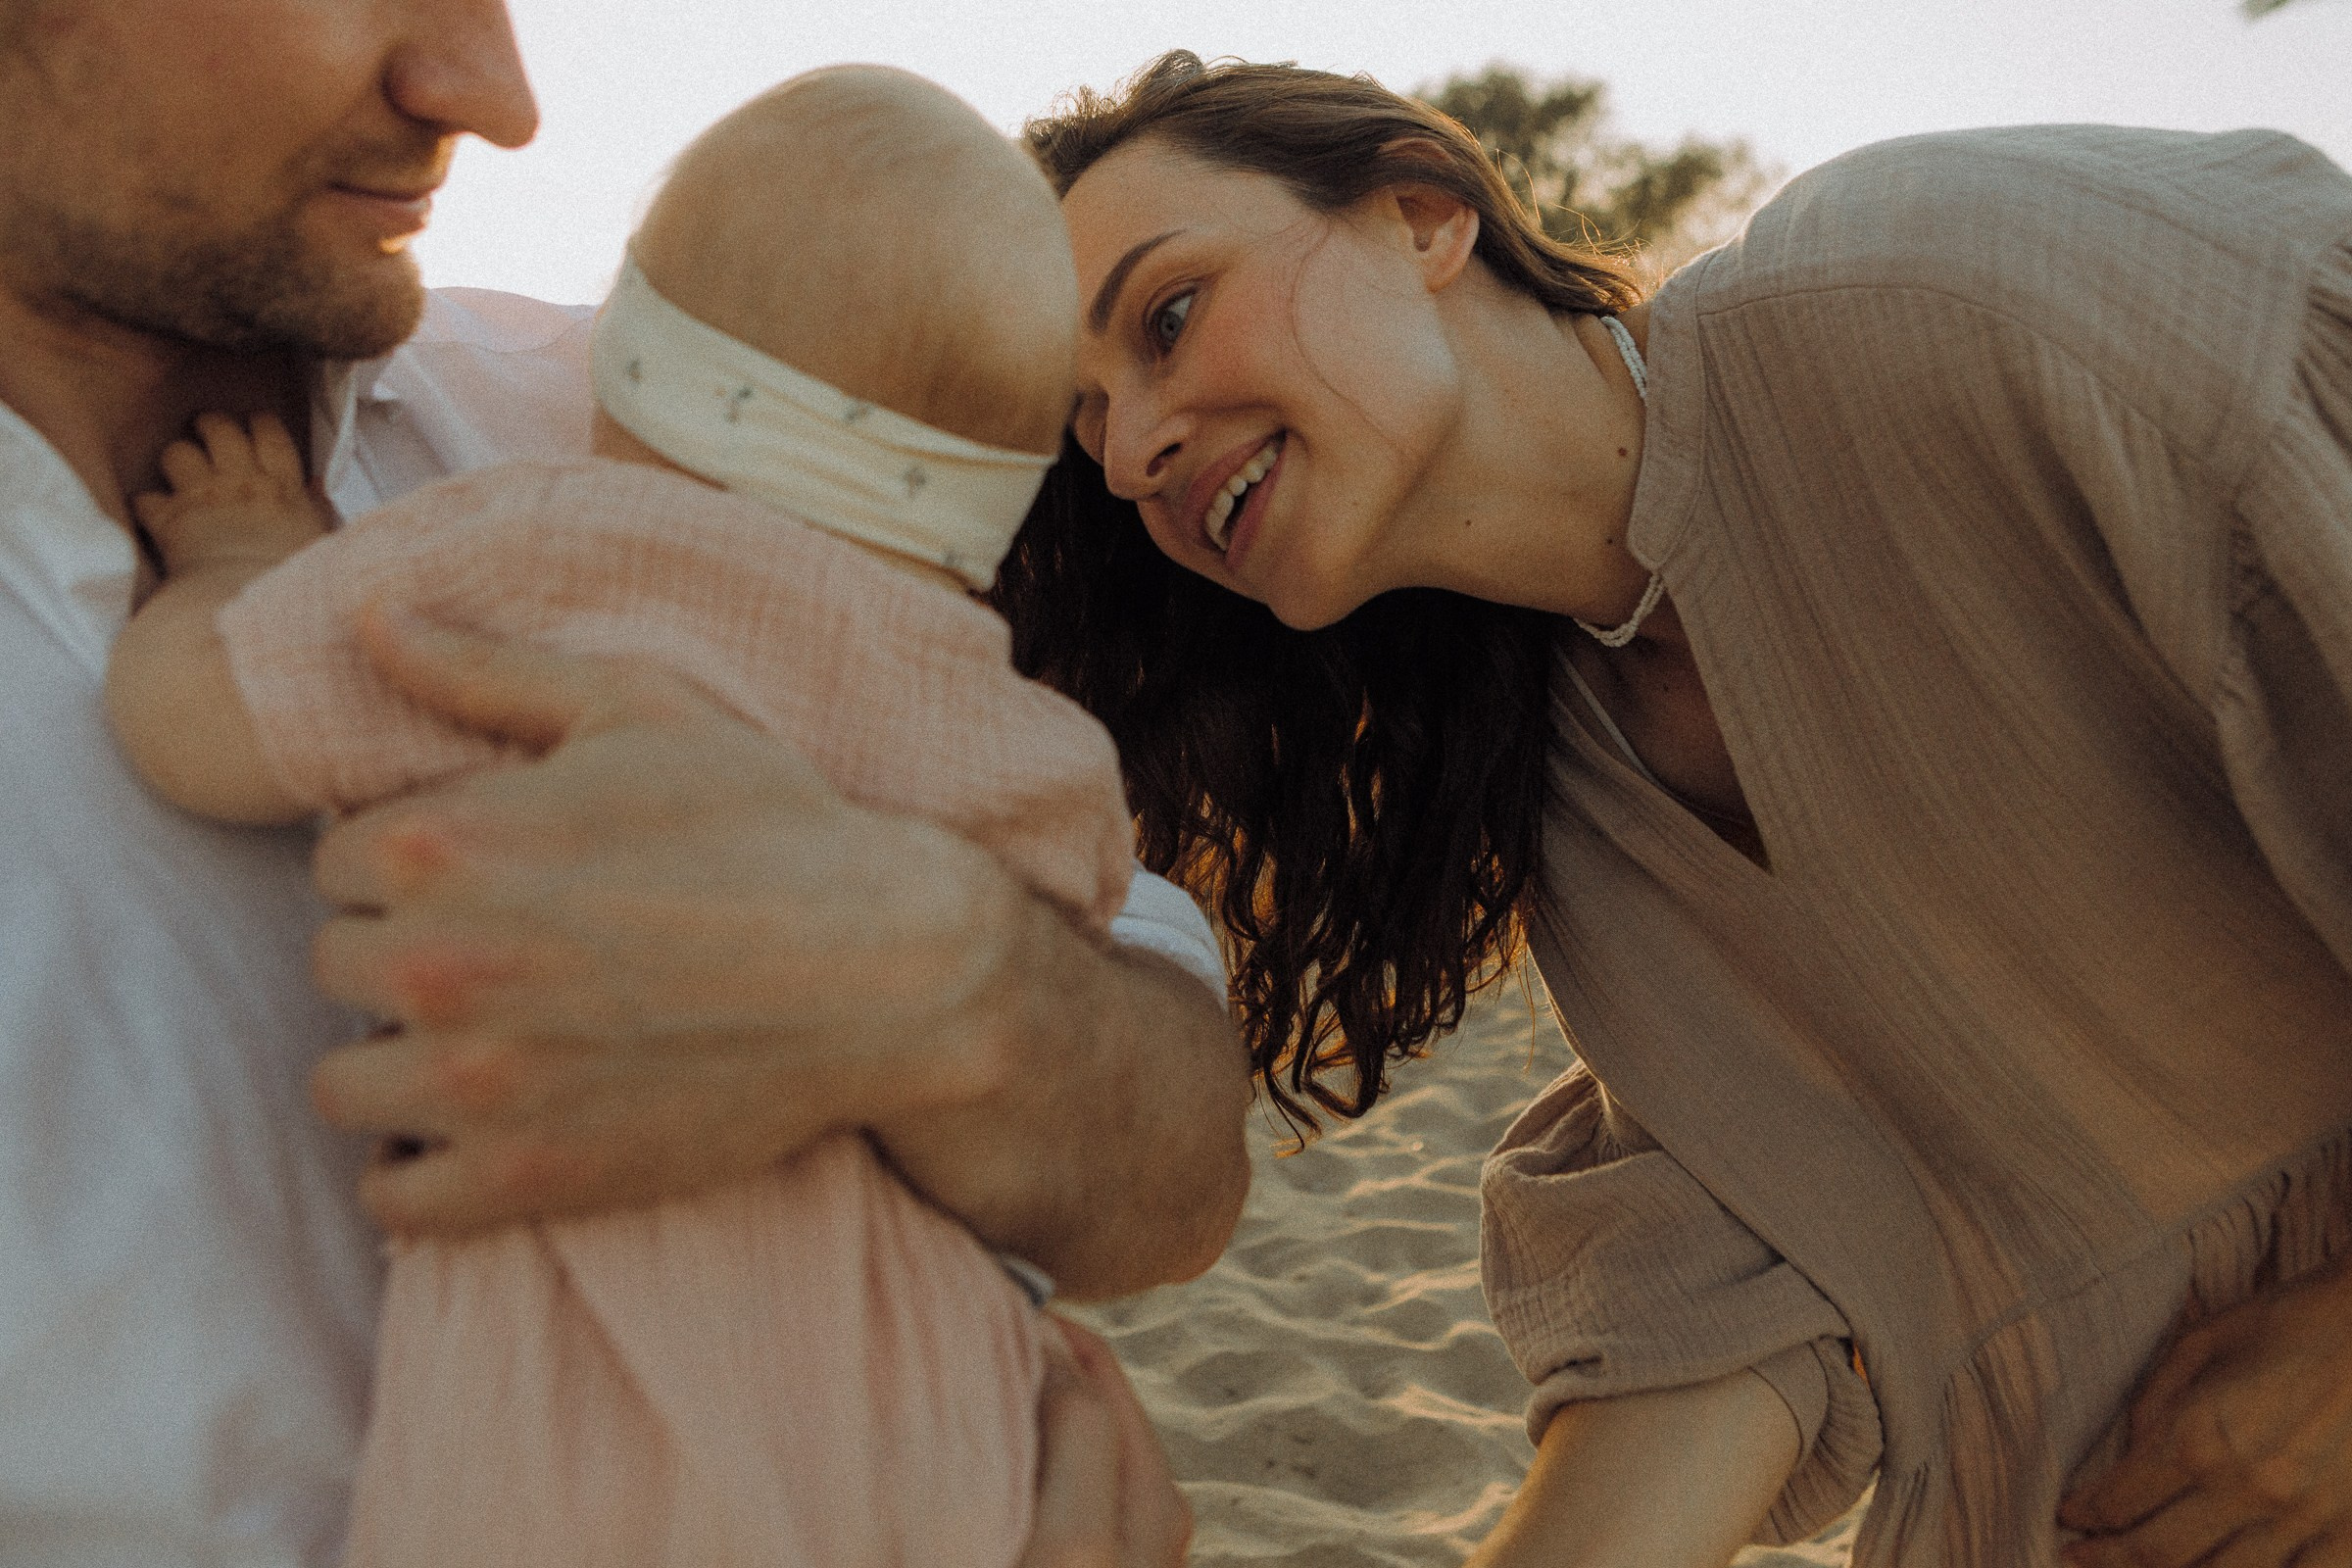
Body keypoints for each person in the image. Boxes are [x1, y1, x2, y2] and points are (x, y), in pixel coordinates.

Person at [1004, 51, 2352, 1568]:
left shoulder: (1941, 298)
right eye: (1088, 424)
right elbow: (1742, 1326)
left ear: (1424, 215)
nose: (1132, 453)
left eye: (1169, 316)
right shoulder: (1569, 808)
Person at [0, 5, 1237, 1562]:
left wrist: (962, 986)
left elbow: (1181, 1154)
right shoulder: (790, 496)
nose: (499, 101)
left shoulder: (609, 440)